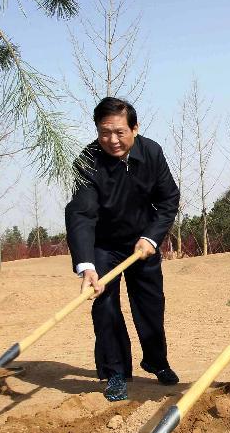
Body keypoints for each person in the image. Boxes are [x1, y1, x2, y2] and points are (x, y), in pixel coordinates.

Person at [65, 97, 181, 401]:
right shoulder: (87, 161)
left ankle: (157, 361)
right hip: (104, 247)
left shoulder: (152, 152)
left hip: (143, 243)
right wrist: (86, 264)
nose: (112, 140)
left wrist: (152, 237)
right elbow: (81, 214)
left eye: (119, 132)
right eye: (105, 133)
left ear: (135, 128)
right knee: (104, 307)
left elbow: (169, 200)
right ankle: (115, 372)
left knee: (151, 305)